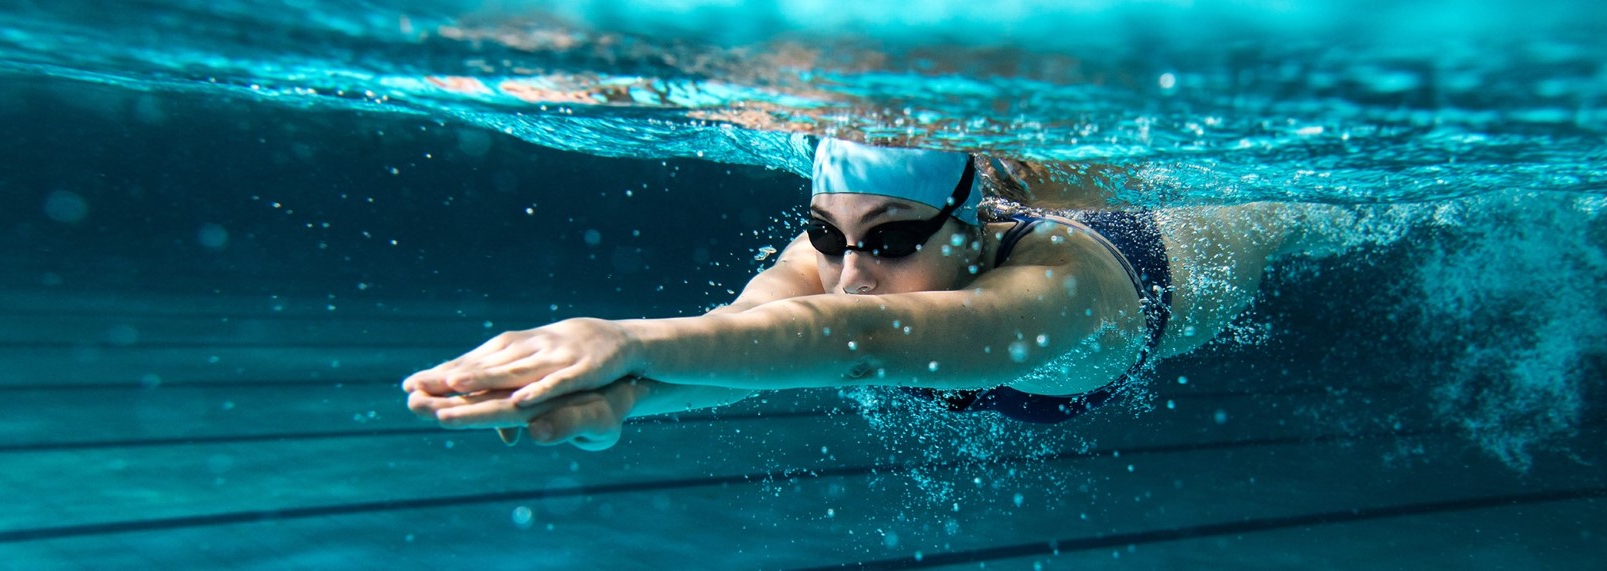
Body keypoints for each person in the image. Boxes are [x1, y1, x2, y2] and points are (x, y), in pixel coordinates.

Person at [404, 137, 1313, 450]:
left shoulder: (1057, 292)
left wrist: (624, 339)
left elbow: (862, 340)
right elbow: (748, 340)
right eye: (827, 234)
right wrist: (622, 401)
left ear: (977, 228)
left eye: (889, 238)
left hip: (1180, 251)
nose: (848, 272)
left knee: (1300, 210)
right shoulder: (842, 263)